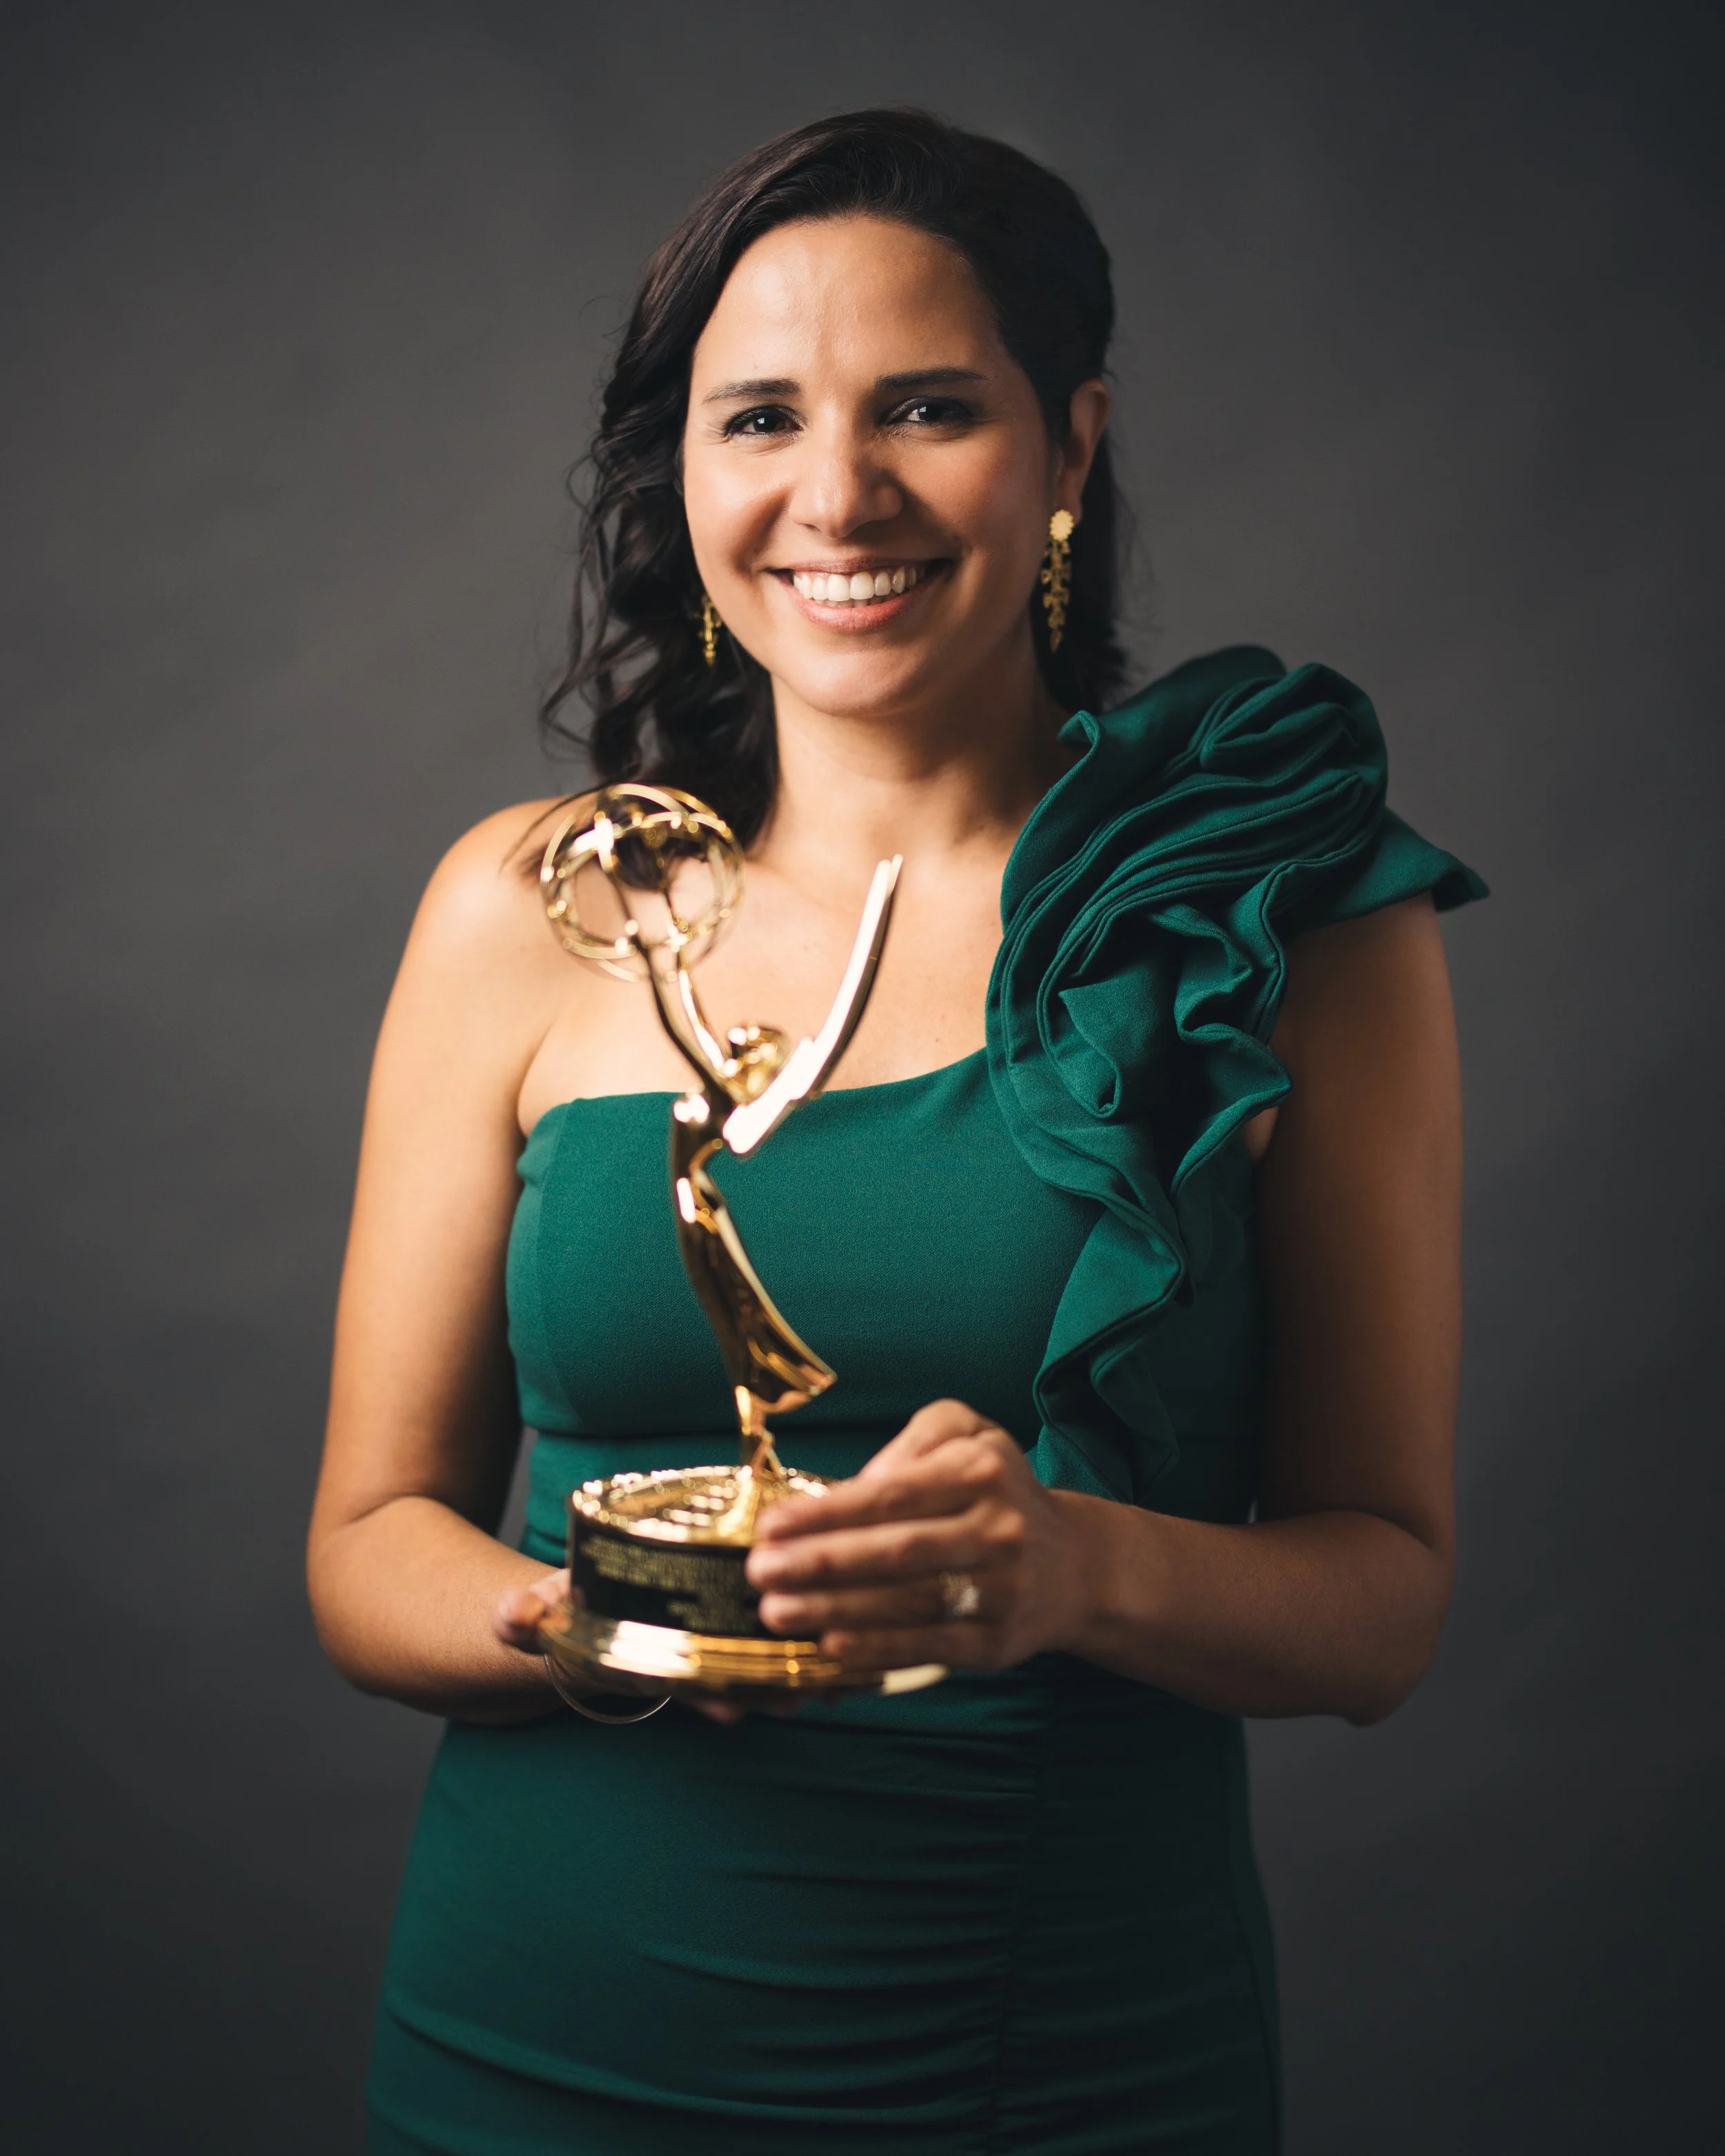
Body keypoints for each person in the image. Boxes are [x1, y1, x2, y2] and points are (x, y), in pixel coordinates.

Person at [308, 108, 1484, 2155]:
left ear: (1071, 446)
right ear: (679, 477)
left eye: (927, 407)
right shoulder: (523, 904)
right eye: (756, 417)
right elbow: (364, 1550)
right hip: (525, 2046)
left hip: (1037, 2059)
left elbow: (1379, 1601)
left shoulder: (1278, 916)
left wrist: (1078, 1569)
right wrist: (621, 1609)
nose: (835, 493)